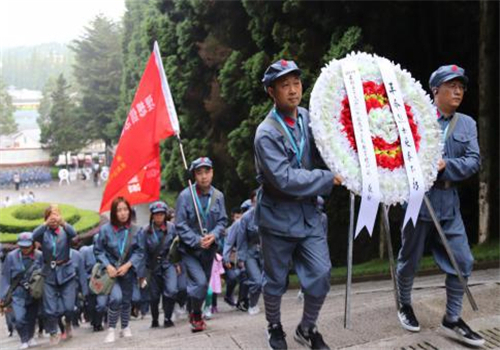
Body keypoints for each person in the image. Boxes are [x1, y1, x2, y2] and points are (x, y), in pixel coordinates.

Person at [254, 59, 342, 350]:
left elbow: (327, 148)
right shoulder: (266, 133)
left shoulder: (306, 117)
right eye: (284, 85)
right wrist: (328, 179)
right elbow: (284, 179)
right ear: (271, 92)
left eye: (296, 83)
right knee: (275, 280)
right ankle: (274, 326)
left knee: (321, 274)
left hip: (308, 214)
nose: (293, 91)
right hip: (277, 216)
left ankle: (307, 327)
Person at [396, 65, 483, 347]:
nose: (458, 91)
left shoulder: (467, 124)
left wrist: (447, 165)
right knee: (409, 259)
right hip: (418, 202)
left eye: (461, 86)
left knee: (464, 261)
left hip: (449, 202)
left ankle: (453, 317)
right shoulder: (415, 120)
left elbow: (473, 161)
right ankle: (404, 304)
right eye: (451, 86)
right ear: (435, 90)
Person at [175, 157, 228, 332]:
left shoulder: (218, 196)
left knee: (204, 285)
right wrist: (197, 240)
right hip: (190, 250)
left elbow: (222, 221)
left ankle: (194, 310)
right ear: (194, 175)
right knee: (199, 282)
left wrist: (213, 236)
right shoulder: (185, 196)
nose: (204, 176)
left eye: (207, 172)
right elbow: (180, 225)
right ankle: (196, 314)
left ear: (212, 173)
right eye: (199, 173)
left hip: (209, 250)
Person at [94, 197, 143, 343]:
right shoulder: (105, 230)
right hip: (111, 273)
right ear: (114, 213)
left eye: (125, 210)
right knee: (116, 298)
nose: (122, 213)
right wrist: (107, 265)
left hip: (127, 270)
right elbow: (98, 251)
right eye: (119, 210)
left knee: (127, 299)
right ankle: (111, 329)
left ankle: (125, 327)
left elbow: (140, 251)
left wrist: (128, 265)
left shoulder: (135, 230)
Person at [32, 205, 78, 345]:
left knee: (69, 307)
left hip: (66, 271)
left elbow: (74, 233)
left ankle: (68, 322)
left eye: (56, 214)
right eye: (51, 215)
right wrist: (45, 223)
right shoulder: (43, 233)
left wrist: (63, 222)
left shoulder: (65, 231)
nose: (54, 218)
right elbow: (33, 235)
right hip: (49, 273)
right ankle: (53, 332)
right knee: (50, 308)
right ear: (46, 217)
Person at [138, 200, 179, 328]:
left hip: (168, 263)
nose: (159, 217)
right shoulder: (145, 231)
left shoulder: (172, 228)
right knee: (154, 296)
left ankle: (167, 317)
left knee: (171, 290)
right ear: (152, 215)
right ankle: (155, 319)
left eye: (161, 214)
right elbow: (142, 253)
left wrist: (178, 264)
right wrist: (142, 273)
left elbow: (177, 246)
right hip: (153, 266)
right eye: (156, 214)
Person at [0, 233, 43, 349]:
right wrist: (2, 296)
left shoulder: (39, 256)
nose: (25, 249)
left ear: (33, 245)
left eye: (27, 247)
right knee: (19, 318)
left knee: (32, 317)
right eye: (22, 247)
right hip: (18, 291)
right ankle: (23, 339)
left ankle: (30, 336)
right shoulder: (11, 257)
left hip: (33, 291)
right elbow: (5, 276)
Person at [235, 193, 262, 316]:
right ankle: (252, 304)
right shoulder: (246, 218)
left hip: (266, 253)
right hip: (250, 253)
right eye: (256, 201)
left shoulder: (270, 215)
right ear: (252, 203)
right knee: (257, 281)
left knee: (269, 282)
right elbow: (241, 240)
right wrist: (241, 258)